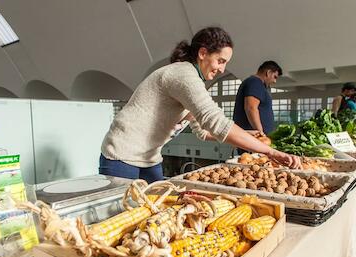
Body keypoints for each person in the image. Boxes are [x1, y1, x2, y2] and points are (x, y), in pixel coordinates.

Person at [99, 27, 301, 183]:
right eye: (220, 61)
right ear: (203, 53)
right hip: (122, 155)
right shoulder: (183, 75)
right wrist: (271, 152)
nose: (222, 69)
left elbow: (203, 132)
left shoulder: (193, 82)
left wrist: (248, 134)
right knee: (123, 220)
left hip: (150, 158)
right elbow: (216, 122)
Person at [232, 61, 282, 154]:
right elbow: (251, 108)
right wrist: (260, 134)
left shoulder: (257, 84)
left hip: (255, 140)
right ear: (268, 72)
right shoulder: (255, 82)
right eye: (275, 77)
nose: (275, 81)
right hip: (254, 140)